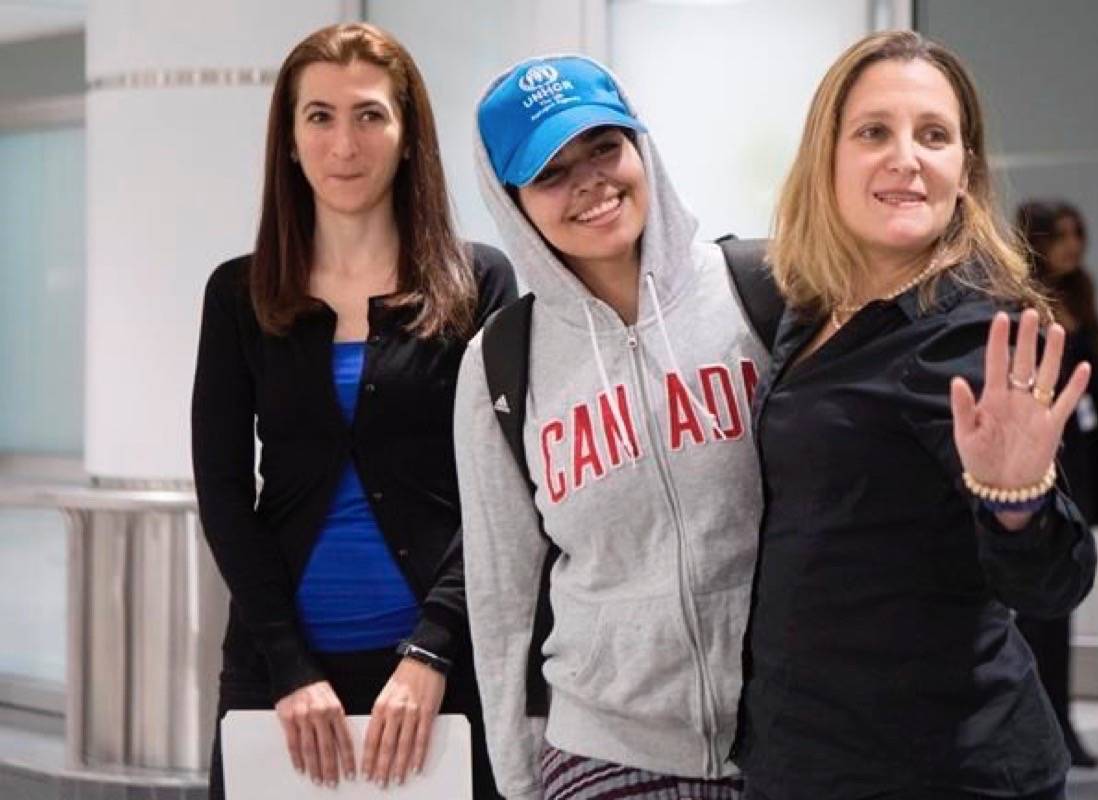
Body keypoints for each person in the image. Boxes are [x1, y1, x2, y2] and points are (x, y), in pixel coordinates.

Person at [733, 31, 1097, 800]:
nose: (907, 157)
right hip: (809, 754)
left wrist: (1018, 500)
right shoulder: (810, 310)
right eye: (874, 132)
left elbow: (1053, 581)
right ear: (826, 155)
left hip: (937, 769)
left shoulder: (969, 333)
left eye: (935, 135)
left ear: (964, 170)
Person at [190, 23, 515, 798]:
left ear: (407, 136)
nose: (346, 144)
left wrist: (434, 650)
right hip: (283, 676)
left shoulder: (479, 283)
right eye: (320, 117)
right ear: (291, 141)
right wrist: (288, 665)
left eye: (371, 115)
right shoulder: (239, 295)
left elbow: (504, 489)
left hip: (442, 675)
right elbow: (225, 491)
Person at [456, 56, 773, 799]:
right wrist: (516, 775)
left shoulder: (758, 297)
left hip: (788, 737)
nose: (590, 183)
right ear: (514, 202)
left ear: (641, 146)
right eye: (551, 172)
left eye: (603, 146)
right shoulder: (500, 364)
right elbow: (500, 591)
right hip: (604, 749)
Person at [1016, 199, 1098, 767]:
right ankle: (1046, 723)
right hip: (1042, 464)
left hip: (1081, 461)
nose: (1073, 246)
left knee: (1061, 603)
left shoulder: (1079, 295)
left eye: (1078, 234)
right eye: (1061, 235)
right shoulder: (1017, 304)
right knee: (1040, 608)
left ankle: (1060, 720)